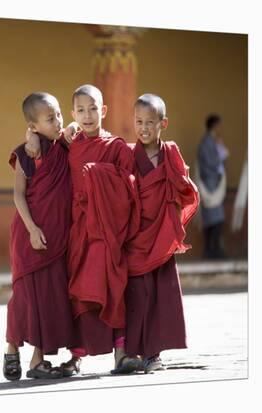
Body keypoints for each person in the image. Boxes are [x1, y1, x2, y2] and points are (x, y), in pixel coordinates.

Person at [25, 85, 141, 375]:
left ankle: (122, 353)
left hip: (107, 233)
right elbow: (45, 160)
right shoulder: (70, 144)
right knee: (78, 292)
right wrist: (32, 138)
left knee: (113, 289)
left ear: (103, 111)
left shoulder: (115, 146)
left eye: (92, 109)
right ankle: (76, 357)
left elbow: (129, 187)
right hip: (78, 232)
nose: (87, 116)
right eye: (80, 110)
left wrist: (97, 174)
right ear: (73, 113)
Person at [3, 92, 76, 381]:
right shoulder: (26, 152)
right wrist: (32, 229)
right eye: (50, 118)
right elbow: (18, 195)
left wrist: (62, 131)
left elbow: (79, 128)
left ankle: (38, 360)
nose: (58, 121)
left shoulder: (64, 146)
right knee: (24, 296)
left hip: (57, 237)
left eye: (58, 114)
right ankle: (11, 349)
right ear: (33, 126)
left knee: (49, 297)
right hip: (30, 233)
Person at [124, 93, 199, 373]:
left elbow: (184, 187)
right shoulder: (129, 154)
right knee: (136, 295)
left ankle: (154, 354)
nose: (143, 128)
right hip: (137, 234)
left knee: (161, 295)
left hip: (163, 235)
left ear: (163, 123)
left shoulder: (170, 152)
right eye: (139, 121)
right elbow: (122, 191)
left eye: (150, 122)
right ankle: (131, 352)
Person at [196, 114, 228, 259]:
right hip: (210, 186)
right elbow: (210, 163)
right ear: (214, 126)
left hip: (214, 184)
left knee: (214, 219)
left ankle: (212, 250)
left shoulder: (212, 141)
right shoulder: (206, 143)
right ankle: (211, 250)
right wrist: (221, 155)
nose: (221, 129)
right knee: (214, 220)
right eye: (219, 125)